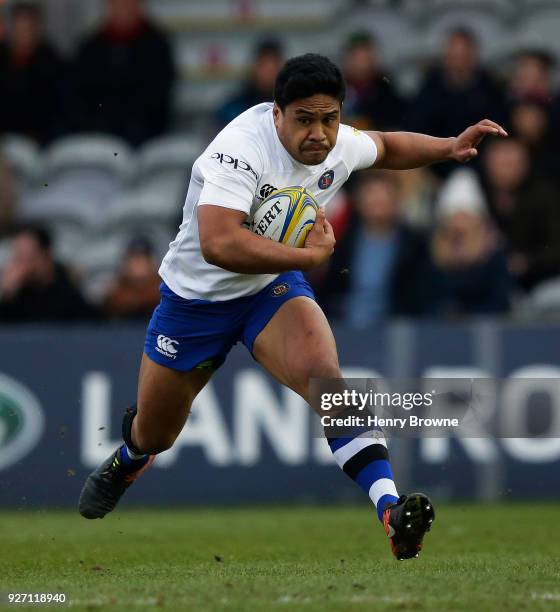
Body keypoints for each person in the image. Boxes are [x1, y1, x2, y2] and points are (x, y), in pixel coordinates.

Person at [78, 53, 507, 560]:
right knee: (156, 432)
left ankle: (389, 509)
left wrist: (449, 147)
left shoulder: (335, 142)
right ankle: (130, 457)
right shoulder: (239, 150)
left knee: (327, 380)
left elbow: (388, 146)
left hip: (268, 290)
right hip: (194, 302)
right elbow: (219, 243)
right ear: (276, 113)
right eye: (305, 119)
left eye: (329, 119)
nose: (320, 134)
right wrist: (307, 256)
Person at [318, 171, 427, 324]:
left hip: (396, 329)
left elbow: (417, 296)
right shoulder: (343, 241)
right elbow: (332, 288)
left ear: (396, 200)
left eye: (383, 195)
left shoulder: (414, 245)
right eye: (371, 195)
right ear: (359, 201)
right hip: (347, 326)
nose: (377, 201)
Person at [71, 0, 175, 147]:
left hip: (146, 136)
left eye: (127, 4)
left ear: (138, 6)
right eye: (116, 4)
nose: (122, 10)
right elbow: (80, 95)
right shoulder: (90, 47)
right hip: (98, 134)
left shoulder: (158, 46)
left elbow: (159, 95)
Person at [407, 27, 504, 177]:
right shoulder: (429, 89)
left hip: (481, 169)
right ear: (445, 55)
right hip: (435, 166)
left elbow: (496, 135)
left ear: (473, 55)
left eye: (464, 54)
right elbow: (416, 131)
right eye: (454, 53)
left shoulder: (489, 89)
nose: (459, 59)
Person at [417, 169, 512, 316]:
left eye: (465, 217)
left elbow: (500, 302)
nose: (459, 224)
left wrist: (466, 316)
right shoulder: (430, 255)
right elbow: (421, 300)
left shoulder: (493, 256)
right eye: (453, 217)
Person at [0, 224, 96, 322]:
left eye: (29, 258)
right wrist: (7, 296)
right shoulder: (17, 295)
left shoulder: (68, 293)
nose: (23, 267)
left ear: (46, 255)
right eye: (18, 259)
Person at [0, 1, 65, 145]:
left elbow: (59, 108)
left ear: (37, 29)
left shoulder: (51, 62)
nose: (23, 35)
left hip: (40, 143)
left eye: (28, 29)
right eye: (18, 29)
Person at [341, 31, 404, 131]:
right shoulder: (337, 88)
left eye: (366, 58)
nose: (362, 65)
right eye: (357, 58)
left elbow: (395, 120)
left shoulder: (385, 84)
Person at [216, 39, 283, 128]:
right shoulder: (234, 108)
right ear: (255, 67)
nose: (269, 73)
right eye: (264, 66)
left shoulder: (289, 107)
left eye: (273, 67)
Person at [103, 237, 161, 320]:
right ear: (125, 263)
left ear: (152, 263)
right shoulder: (115, 292)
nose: (138, 263)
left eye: (143, 258)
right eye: (134, 258)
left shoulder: (163, 291)